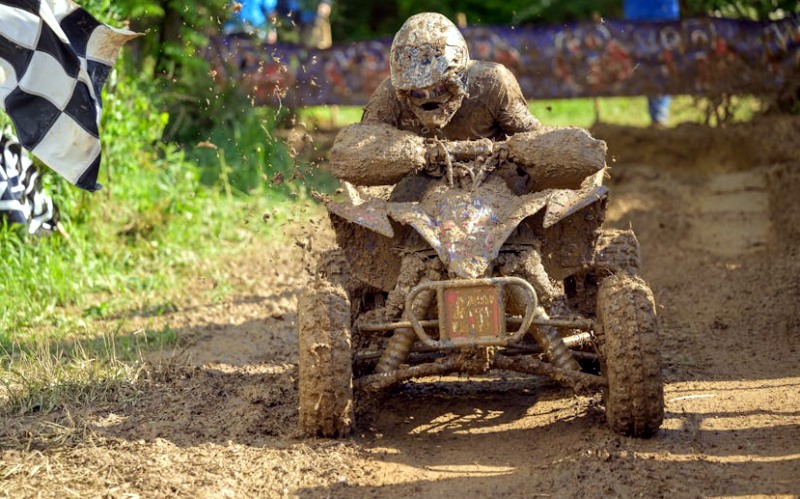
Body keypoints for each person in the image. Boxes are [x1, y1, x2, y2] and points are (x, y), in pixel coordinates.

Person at [329, 12, 544, 193]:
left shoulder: (492, 81)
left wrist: (511, 150)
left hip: (494, 177)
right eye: (417, 92)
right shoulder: (390, 94)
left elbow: (536, 139)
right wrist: (416, 153)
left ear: (460, 73)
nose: (428, 97)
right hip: (420, 184)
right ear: (402, 87)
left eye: (439, 88)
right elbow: (354, 151)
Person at [623, 0, 680, 127]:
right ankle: (657, 116)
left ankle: (659, 116)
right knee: (646, 68)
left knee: (662, 68)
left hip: (664, 20)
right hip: (637, 20)